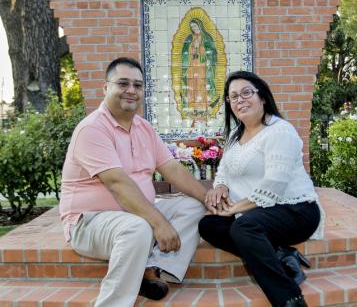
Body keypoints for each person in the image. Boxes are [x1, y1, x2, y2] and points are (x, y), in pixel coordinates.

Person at [59, 57, 212, 306]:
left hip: (134, 214)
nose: (131, 90)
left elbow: (172, 168)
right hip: (90, 222)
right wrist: (159, 222)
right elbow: (117, 183)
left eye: (138, 85)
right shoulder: (92, 129)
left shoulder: (144, 128)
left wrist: (208, 198)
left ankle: (151, 269)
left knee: (193, 206)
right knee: (137, 228)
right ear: (105, 88)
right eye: (123, 83)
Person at [198, 71, 323, 307]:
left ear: (262, 97)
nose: (240, 100)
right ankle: (282, 255)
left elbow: (273, 185)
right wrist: (220, 186)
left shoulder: (280, 130)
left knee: (243, 226)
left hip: (296, 211)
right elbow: (224, 170)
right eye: (233, 96)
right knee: (209, 225)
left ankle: (290, 299)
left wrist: (234, 208)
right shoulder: (236, 134)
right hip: (257, 213)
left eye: (246, 93)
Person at [181, 18, 217, 123]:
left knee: (201, 86)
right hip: (192, 66)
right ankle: (193, 111)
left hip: (203, 67)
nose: (194, 29)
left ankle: (202, 111)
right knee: (192, 87)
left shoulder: (207, 38)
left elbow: (212, 54)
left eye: (195, 26)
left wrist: (201, 51)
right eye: (192, 27)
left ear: (200, 26)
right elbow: (185, 55)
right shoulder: (190, 39)